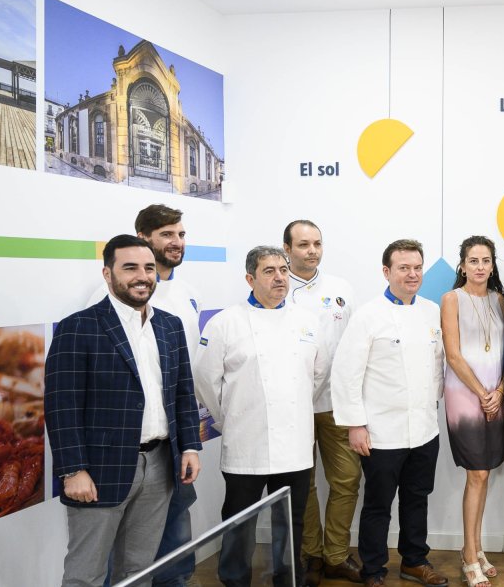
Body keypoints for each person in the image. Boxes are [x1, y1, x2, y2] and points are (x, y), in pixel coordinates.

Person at [46, 234, 202, 587]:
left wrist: (190, 446)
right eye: (129, 267)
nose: (142, 276)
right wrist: (73, 471)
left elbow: (182, 392)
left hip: (161, 464)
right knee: (86, 574)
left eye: (148, 268)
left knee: (138, 571)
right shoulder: (78, 327)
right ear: (107, 273)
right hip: (100, 470)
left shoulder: (169, 325)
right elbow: (61, 406)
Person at [87, 204, 203, 587]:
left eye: (181, 234)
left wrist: (189, 438)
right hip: (122, 448)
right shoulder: (107, 297)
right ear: (143, 238)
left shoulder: (186, 294)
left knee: (176, 530)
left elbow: (185, 378)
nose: (176, 242)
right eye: (167, 234)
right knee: (116, 549)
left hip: (170, 442)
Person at [194, 246, 324, 587]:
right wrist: (232, 417)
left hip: (295, 445)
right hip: (245, 443)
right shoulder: (225, 323)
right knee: (238, 523)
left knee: (290, 523)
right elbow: (204, 380)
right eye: (269, 271)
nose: (279, 277)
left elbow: (318, 375)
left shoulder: (308, 322)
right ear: (250, 278)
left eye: (283, 269)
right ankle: (235, 580)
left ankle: (287, 580)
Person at [332, 239, 449, 587]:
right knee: (378, 505)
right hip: (381, 432)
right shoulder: (368, 316)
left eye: (417, 267)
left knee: (417, 499)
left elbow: (438, 363)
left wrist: (435, 402)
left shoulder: (431, 311)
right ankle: (373, 569)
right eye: (403, 268)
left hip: (425, 429)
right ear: (387, 272)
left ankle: (414, 561)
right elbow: (346, 373)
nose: (412, 274)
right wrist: (355, 425)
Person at [280, 220, 362, 585]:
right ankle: (310, 553)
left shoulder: (340, 289)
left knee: (346, 480)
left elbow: (356, 347)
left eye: (316, 244)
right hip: (293, 406)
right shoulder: (277, 288)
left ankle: (336, 555)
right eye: (303, 245)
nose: (311, 251)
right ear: (287, 249)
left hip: (336, 404)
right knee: (305, 484)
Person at [441, 236, 504, 587]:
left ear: (492, 265)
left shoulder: (500, 300)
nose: (480, 266)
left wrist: (499, 391)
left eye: (485, 260)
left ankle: (476, 546)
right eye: (473, 260)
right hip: (465, 397)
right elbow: (453, 355)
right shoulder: (451, 299)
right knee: (476, 474)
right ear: (462, 265)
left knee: (485, 474)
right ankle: (468, 556)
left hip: (495, 396)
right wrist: (484, 393)